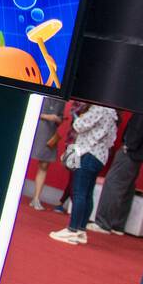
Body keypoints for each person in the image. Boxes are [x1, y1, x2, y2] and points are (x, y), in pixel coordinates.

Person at [48, 102, 118, 246]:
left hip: (87, 153)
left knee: (79, 192)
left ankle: (72, 231)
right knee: (87, 194)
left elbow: (78, 125)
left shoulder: (98, 108)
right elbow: (112, 140)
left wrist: (77, 115)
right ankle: (81, 231)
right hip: (100, 156)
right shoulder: (113, 113)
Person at [88, 111, 143, 235]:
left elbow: (139, 125)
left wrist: (128, 145)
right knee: (127, 187)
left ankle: (103, 223)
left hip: (130, 150)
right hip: (137, 152)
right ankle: (117, 225)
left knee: (114, 183)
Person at [28, 97, 65, 210]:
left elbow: (61, 117)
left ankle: (36, 198)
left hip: (50, 133)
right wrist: (47, 116)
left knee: (44, 165)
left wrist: (58, 119)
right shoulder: (40, 96)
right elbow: (30, 110)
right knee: (23, 161)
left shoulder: (61, 100)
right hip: (35, 129)